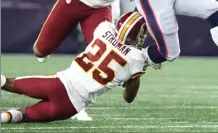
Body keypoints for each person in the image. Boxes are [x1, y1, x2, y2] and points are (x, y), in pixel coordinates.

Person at [0, 12, 148, 123]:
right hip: (70, 106)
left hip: (57, 84)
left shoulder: (104, 29)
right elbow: (128, 98)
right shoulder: (136, 59)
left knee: (7, 83)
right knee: (19, 116)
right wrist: (136, 76)